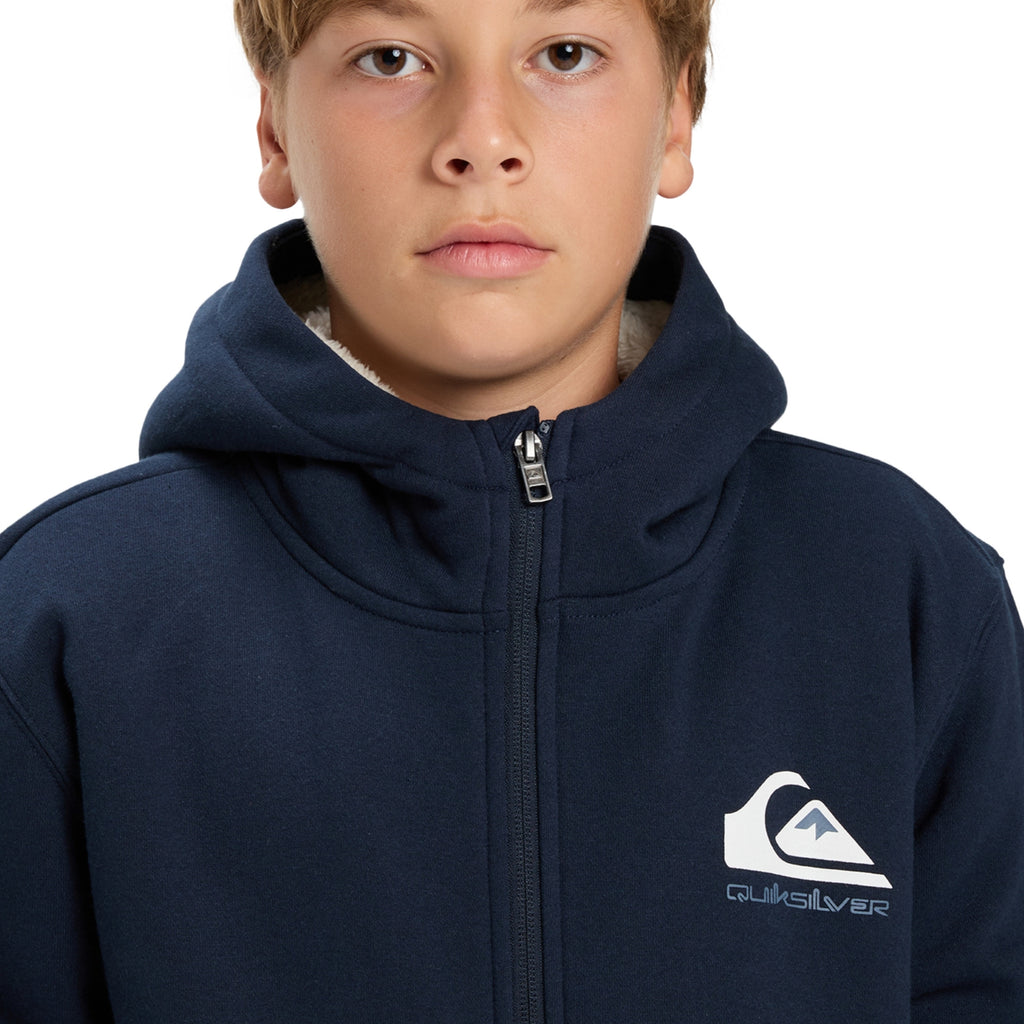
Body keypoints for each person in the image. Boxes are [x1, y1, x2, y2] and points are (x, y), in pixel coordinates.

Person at [0, 1, 1020, 1021]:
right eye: (390, 58)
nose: (481, 141)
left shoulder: (900, 595)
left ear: (675, 117)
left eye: (564, 55)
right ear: (274, 126)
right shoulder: (67, 623)